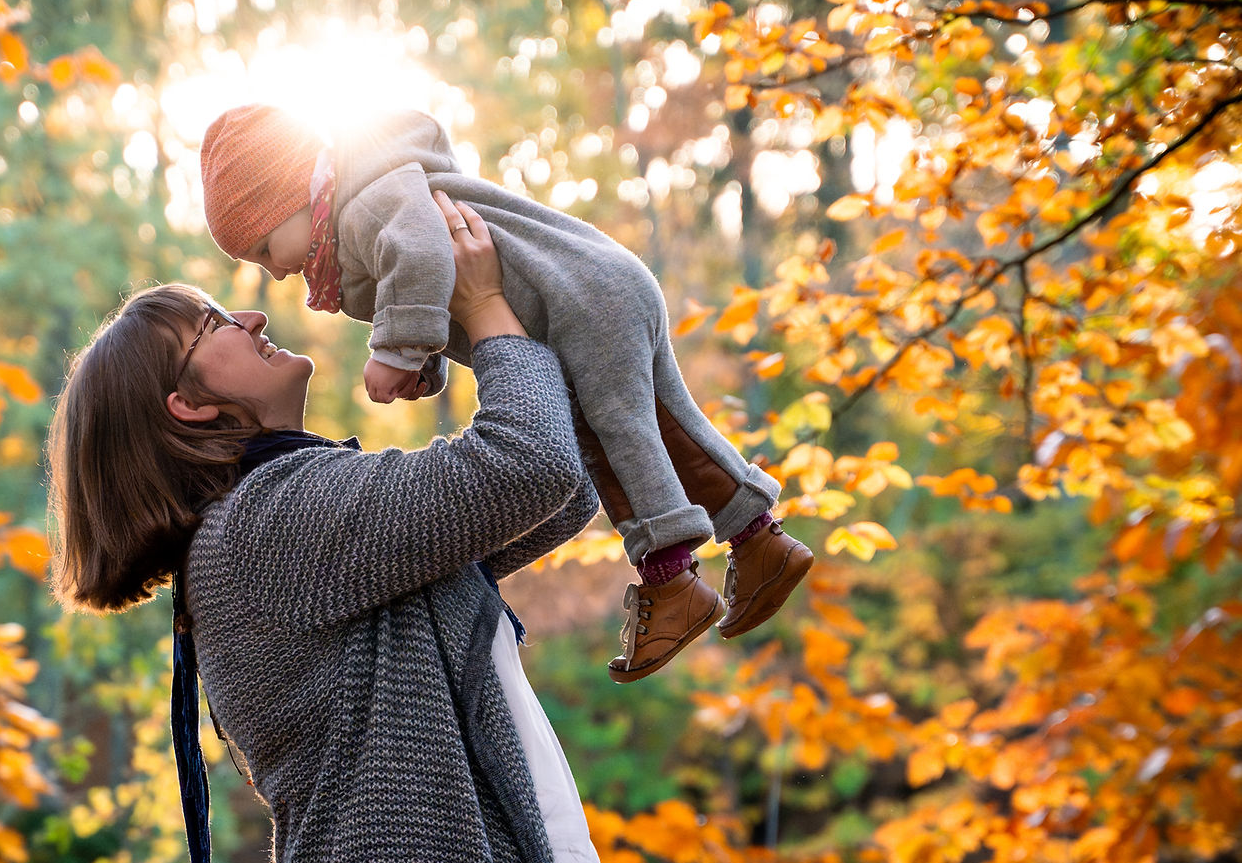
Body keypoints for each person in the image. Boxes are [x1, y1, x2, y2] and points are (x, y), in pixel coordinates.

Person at [46, 192, 611, 863]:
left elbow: (560, 489)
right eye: (213, 325)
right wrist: (479, 307)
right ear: (185, 405)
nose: (251, 319)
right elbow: (528, 462)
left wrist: (482, 324)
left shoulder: (276, 519)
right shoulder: (267, 521)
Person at [197, 103, 813, 682]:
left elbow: (421, 254)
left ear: (288, 196)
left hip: (578, 303)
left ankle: (671, 582)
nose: (273, 271)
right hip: (600, 283)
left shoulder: (363, 205)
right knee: (667, 424)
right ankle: (760, 541)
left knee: (614, 438)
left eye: (262, 249)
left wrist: (395, 351)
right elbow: (437, 286)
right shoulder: (371, 203)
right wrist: (424, 364)